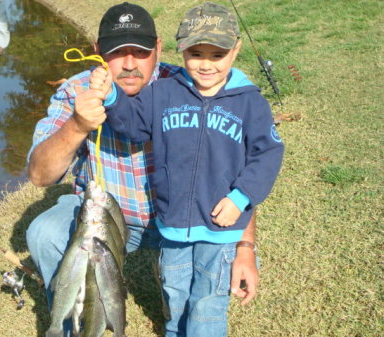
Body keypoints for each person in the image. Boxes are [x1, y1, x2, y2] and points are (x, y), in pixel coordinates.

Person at [26, 2, 258, 336]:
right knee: (44, 233)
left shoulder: (191, 90)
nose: (130, 64)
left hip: (180, 221)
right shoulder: (77, 91)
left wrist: (244, 246)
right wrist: (77, 124)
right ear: (98, 52)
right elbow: (39, 176)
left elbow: (238, 170)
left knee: (193, 309)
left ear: (159, 48)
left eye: (142, 51)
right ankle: (74, 323)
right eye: (118, 53)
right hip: (103, 221)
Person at [89, 2, 284, 336]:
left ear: (235, 51)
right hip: (173, 225)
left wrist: (241, 197)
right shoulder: (164, 92)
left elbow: (267, 154)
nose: (205, 65)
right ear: (181, 51)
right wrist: (110, 98)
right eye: (196, 53)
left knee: (207, 303)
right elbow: (133, 126)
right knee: (176, 296)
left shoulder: (250, 102)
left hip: (221, 227)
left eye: (216, 54)